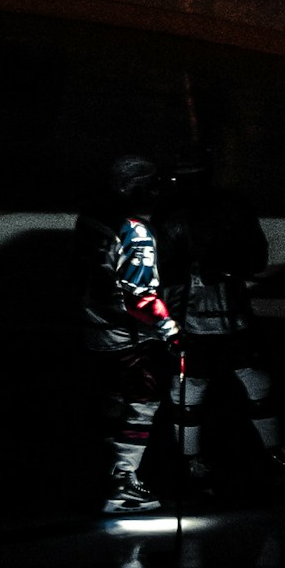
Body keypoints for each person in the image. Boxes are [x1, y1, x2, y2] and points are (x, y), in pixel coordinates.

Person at [161, 148, 285, 496]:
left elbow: (256, 257)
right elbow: (163, 269)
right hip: (193, 319)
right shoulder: (176, 213)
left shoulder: (222, 209)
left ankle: (273, 453)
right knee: (190, 390)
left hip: (228, 316)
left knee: (252, 383)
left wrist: (224, 265)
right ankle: (193, 461)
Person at [78, 153, 181, 518]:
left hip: (95, 327)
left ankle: (107, 474)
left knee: (114, 401)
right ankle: (123, 482)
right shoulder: (135, 230)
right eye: (151, 184)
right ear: (133, 187)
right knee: (143, 400)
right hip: (127, 333)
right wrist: (170, 329)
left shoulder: (92, 219)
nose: (158, 191)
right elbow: (140, 298)